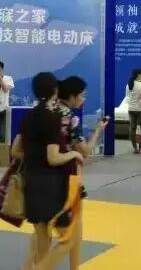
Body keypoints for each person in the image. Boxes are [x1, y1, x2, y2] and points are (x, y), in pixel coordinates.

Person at [11, 72, 84, 270]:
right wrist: (73, 154)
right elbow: (53, 158)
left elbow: (15, 151)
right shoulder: (52, 118)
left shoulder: (27, 117)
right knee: (69, 238)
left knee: (42, 238)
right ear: (55, 91)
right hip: (51, 185)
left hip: (31, 182)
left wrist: (34, 156)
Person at [47, 76, 107, 270]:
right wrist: (98, 130)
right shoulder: (70, 118)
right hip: (67, 176)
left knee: (61, 228)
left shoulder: (49, 110)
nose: (84, 99)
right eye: (82, 95)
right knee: (70, 233)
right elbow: (85, 150)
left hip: (44, 175)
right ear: (72, 96)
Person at [126, 69, 141, 154]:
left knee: (132, 128)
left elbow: (127, 97)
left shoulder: (128, 85)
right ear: (138, 75)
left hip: (131, 109)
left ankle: (135, 148)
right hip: (140, 109)